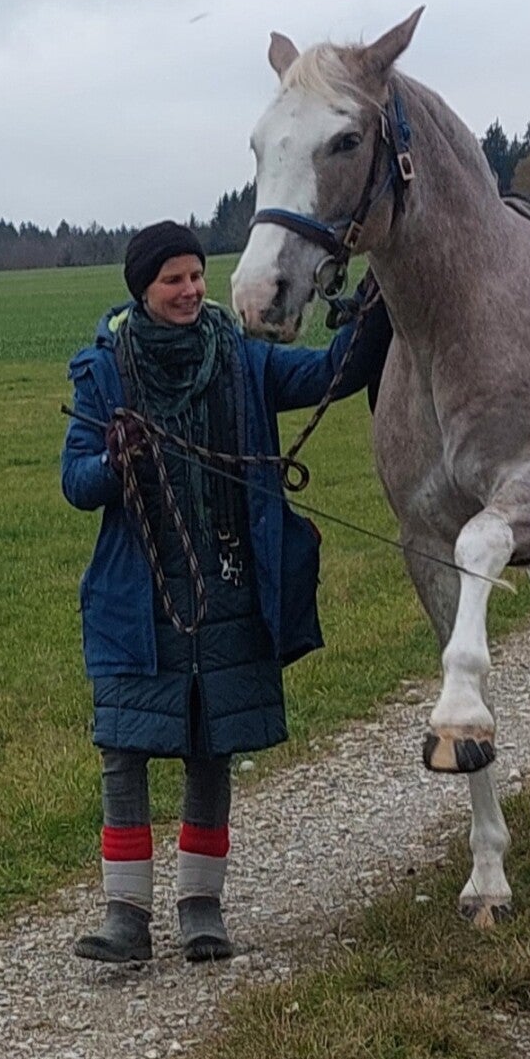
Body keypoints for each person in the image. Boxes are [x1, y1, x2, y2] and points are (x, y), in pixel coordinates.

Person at [61, 221, 388, 963]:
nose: (190, 291)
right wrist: (116, 460)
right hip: (134, 597)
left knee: (211, 751)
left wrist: (377, 310)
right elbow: (75, 483)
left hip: (227, 583)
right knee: (124, 751)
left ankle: (201, 909)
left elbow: (331, 375)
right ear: (142, 288)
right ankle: (126, 918)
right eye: (174, 279)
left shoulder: (241, 357)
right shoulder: (102, 372)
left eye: (196, 276)